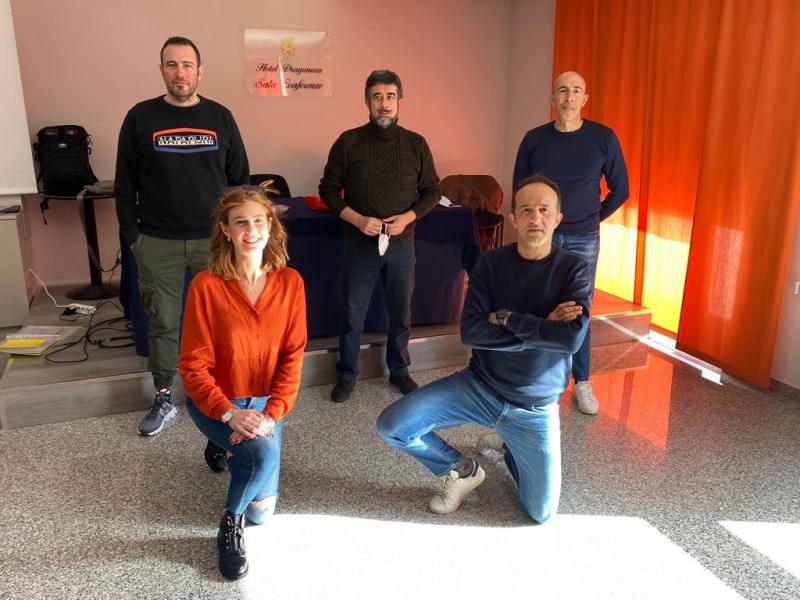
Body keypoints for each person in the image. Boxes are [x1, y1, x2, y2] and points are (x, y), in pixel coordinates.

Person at [377, 174, 591, 523]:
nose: (535, 217)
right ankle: (461, 469)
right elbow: (472, 332)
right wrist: (544, 325)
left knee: (540, 513)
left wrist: (507, 317)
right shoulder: (491, 263)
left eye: (544, 210)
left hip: (534, 408)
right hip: (479, 387)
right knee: (392, 425)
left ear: (557, 219)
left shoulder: (574, 270)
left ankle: (507, 444)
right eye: (526, 210)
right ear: (514, 218)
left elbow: (569, 340)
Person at [115, 36, 250, 438]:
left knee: (222, 321)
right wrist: (134, 238)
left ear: (199, 71)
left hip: (214, 243)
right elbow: (124, 186)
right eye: (171, 65)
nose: (180, 73)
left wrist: (237, 234)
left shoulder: (221, 117)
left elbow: (240, 183)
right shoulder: (140, 117)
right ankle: (163, 396)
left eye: (187, 65)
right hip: (158, 242)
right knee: (164, 321)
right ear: (161, 70)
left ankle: (223, 395)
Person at [178, 185, 307, 580]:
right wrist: (229, 414)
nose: (251, 231)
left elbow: (293, 357)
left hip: (266, 404)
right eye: (240, 223)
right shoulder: (206, 285)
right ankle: (229, 525)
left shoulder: (291, 282)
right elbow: (192, 365)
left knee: (263, 514)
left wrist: (270, 414)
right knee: (261, 458)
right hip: (218, 400)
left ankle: (226, 447)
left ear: (270, 226)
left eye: (258, 221)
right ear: (225, 229)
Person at [319, 69, 440, 403]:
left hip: (402, 245)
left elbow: (432, 191)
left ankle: (399, 370)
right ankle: (347, 375)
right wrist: (357, 219)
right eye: (377, 97)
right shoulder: (348, 141)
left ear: (400, 100)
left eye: (390, 96)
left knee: (400, 314)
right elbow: (327, 190)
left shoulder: (416, 144)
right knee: (352, 314)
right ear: (367, 102)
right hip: (360, 244)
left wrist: (409, 217)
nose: (384, 104)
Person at [512, 70, 629, 415]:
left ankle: (582, 383)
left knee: (579, 308)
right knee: (536, 302)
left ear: (584, 99)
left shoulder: (603, 138)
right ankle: (532, 377)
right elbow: (521, 190)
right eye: (562, 90)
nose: (569, 97)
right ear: (553, 98)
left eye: (576, 90)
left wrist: (592, 217)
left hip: (583, 237)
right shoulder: (534, 139)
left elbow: (620, 189)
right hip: (541, 236)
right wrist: (533, 224)